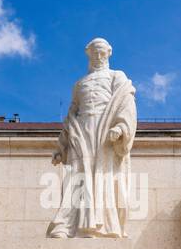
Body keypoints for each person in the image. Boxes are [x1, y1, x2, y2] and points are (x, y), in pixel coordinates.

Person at [47, 37, 137, 238]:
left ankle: (104, 227)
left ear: (109, 53)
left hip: (105, 133)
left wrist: (121, 127)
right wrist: (61, 147)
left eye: (102, 52)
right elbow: (71, 116)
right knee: (77, 178)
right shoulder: (80, 84)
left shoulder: (117, 76)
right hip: (81, 132)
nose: (98, 56)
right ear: (88, 54)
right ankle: (68, 226)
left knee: (102, 179)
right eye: (95, 52)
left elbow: (126, 103)